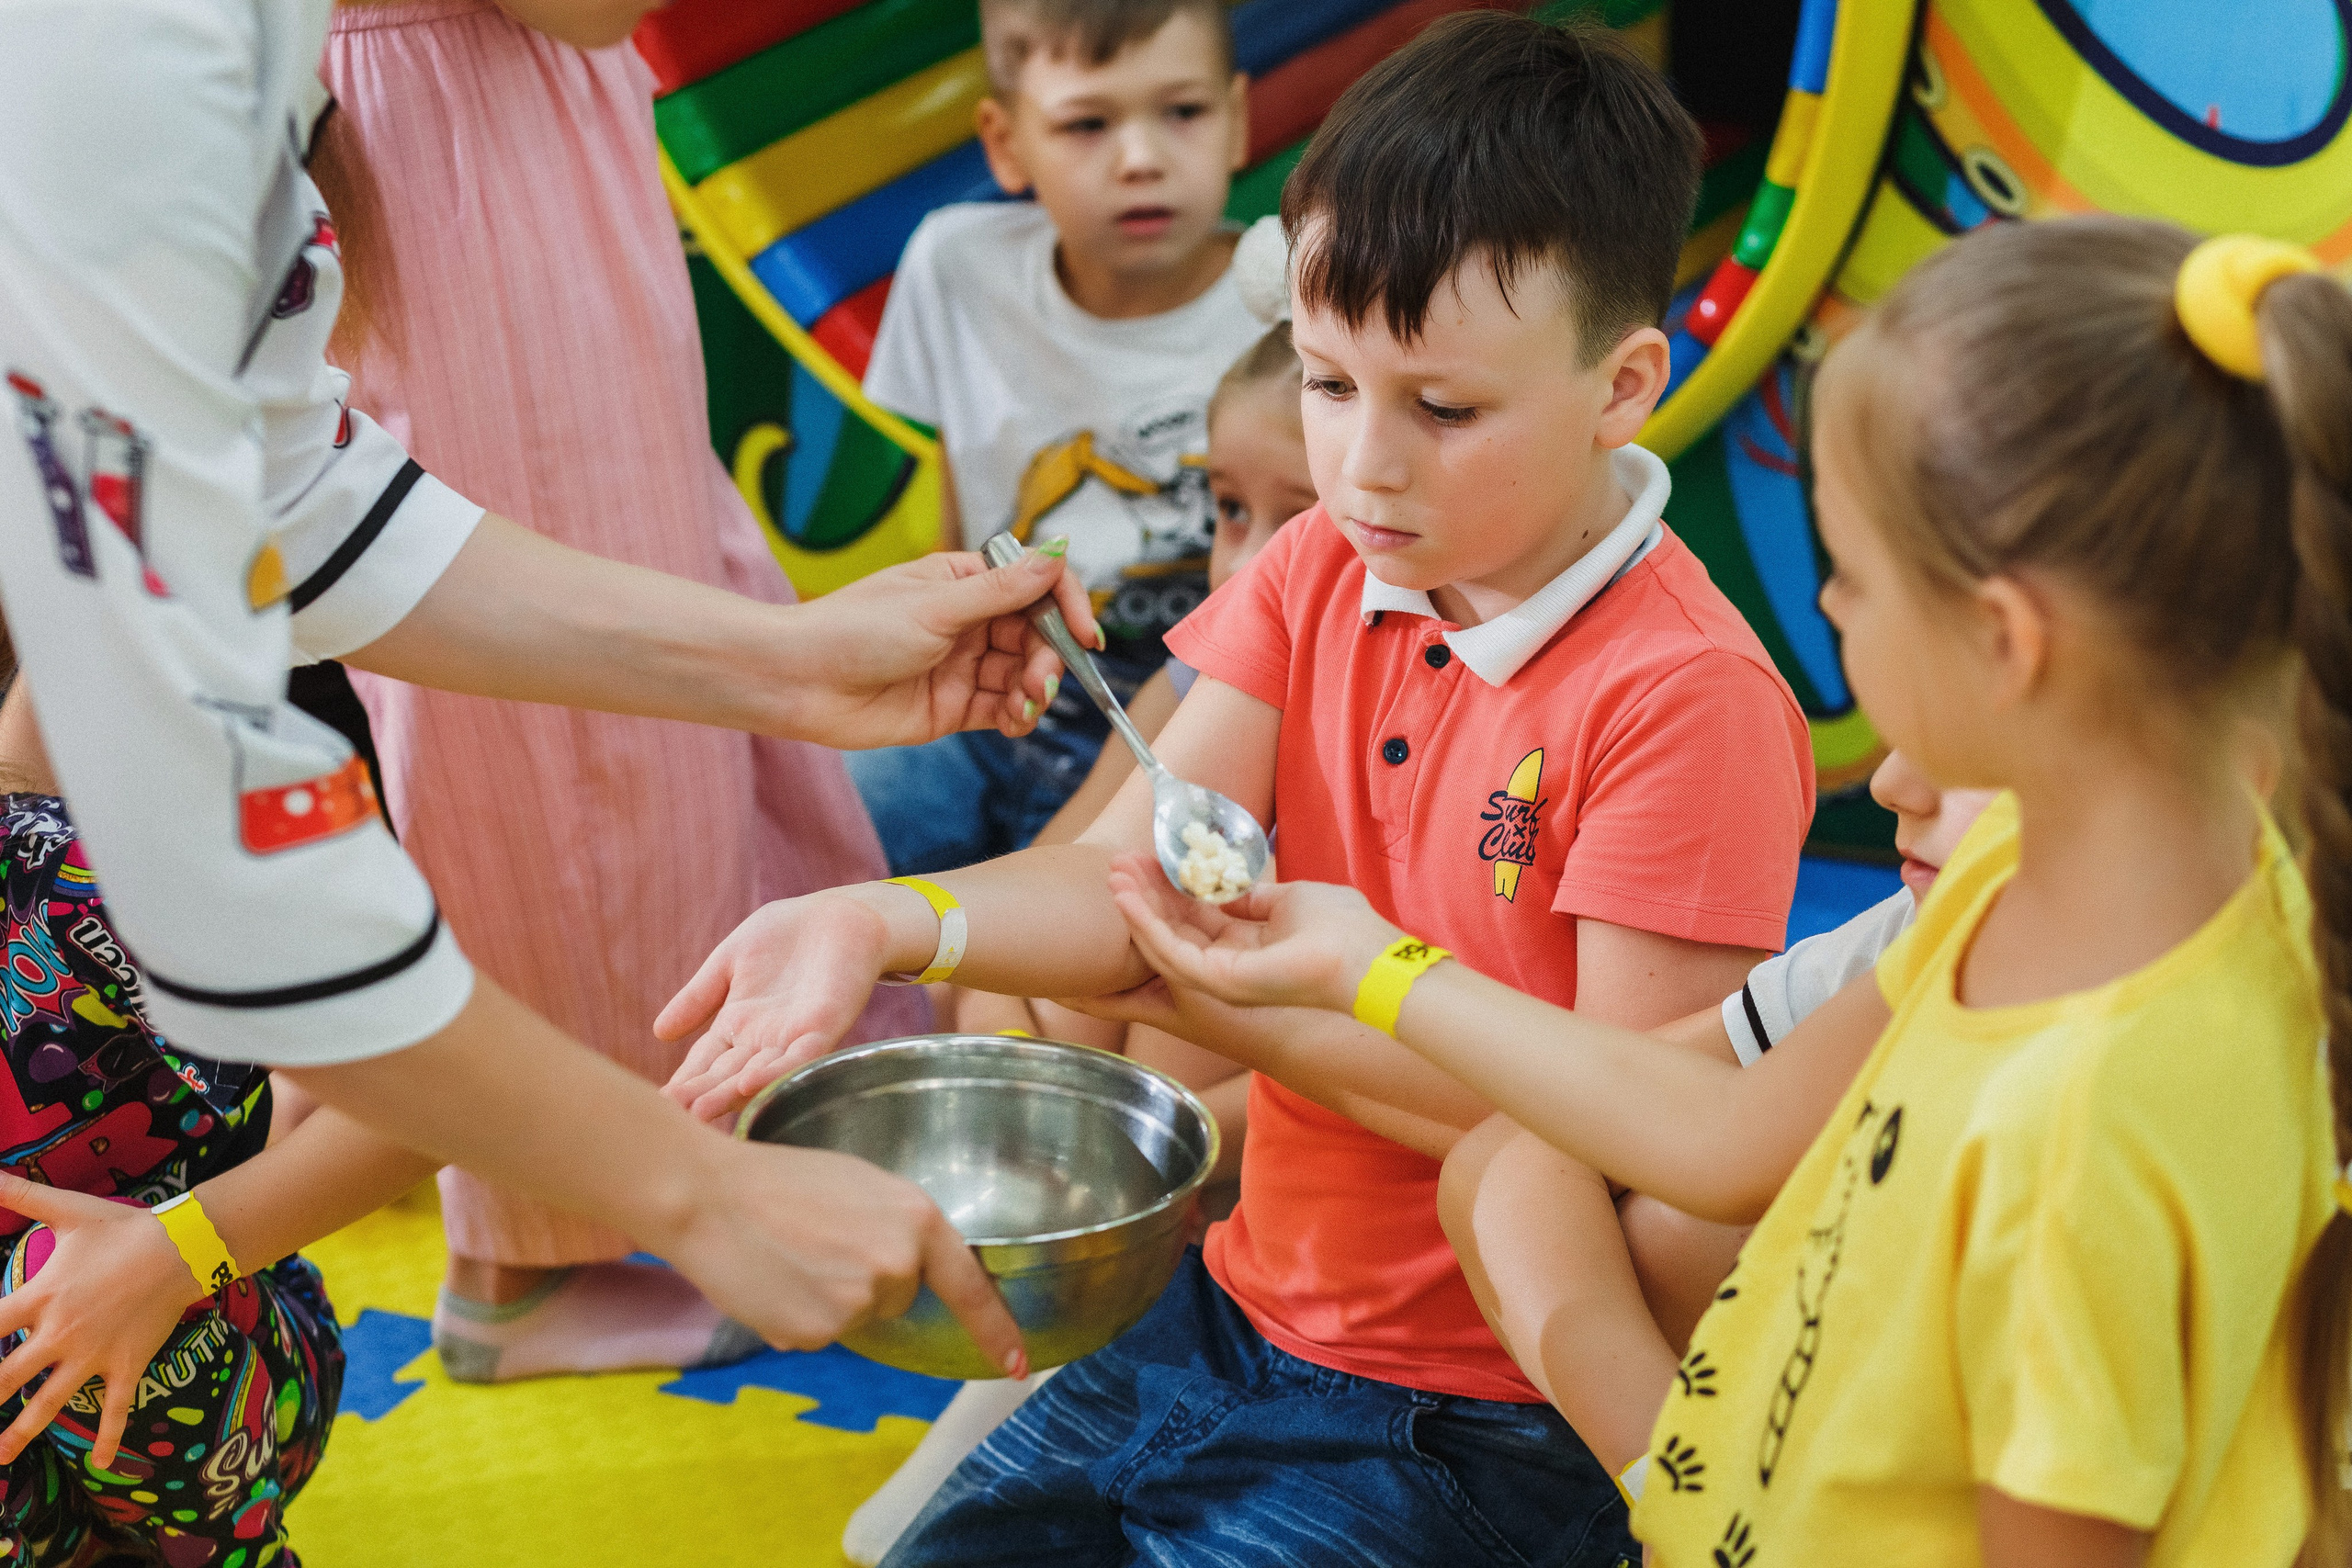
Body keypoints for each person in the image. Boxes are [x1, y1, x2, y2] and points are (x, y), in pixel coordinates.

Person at [664, 18, 1814, 1563]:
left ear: (1622, 387)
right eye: (1331, 385)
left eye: (1443, 409)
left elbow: (1615, 1136)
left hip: (1475, 1414)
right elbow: (1119, 874)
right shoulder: (1323, 565)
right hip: (1220, 1310)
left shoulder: (1685, 696)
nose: (1361, 471)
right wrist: (886, 919)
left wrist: (1229, 998)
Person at [1108, 216, 2352, 1564]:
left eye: (1851, 582)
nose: (1828, 608)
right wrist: (1372, 965)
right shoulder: (2032, 876)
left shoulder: (2085, 1125)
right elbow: (1717, 1132)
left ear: (2005, 641)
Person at [0, 0, 1101, 1379]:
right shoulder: (120, 67)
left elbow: (299, 498)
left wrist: (790, 661)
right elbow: (216, 836)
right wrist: (699, 1193)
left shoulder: (230, 78)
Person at [318, 0, 929, 1384]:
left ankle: (627, 1172)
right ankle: (525, 1253)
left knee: (651, 653)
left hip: (489, 121)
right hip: (453, 141)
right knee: (558, 748)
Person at [844, 314, 1306, 1567]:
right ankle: (1030, 1385)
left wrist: (1156, 1132)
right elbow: (1065, 863)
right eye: (1227, 510)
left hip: (1289, 1135)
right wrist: (1009, 1038)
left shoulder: (1384, 725)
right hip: (1148, 1105)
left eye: (1295, 516)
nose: (1251, 560)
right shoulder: (1190, 688)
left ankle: (1054, 1398)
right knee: (1067, 960)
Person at [1435, 750, 1998, 1484]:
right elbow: (1524, 1146)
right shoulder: (1914, 937)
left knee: (1673, 1231)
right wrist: (1670, 1486)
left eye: (1969, 734)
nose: (1890, 784)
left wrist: (1377, 975)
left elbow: (1711, 1137)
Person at [0, 637, 435, 1565]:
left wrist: (175, 1252)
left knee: (62, 1269)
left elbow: (435, 1100)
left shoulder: (72, 887)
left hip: (204, 1361)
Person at [845, 0, 1265, 877]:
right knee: (834, 810)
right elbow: (957, 499)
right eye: (1085, 123)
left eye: (1183, 112)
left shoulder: (1301, 296)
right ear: (1005, 143)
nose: (1142, 158)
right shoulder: (957, 267)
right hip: (1005, 688)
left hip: (1197, 710)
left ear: (1237, 120)